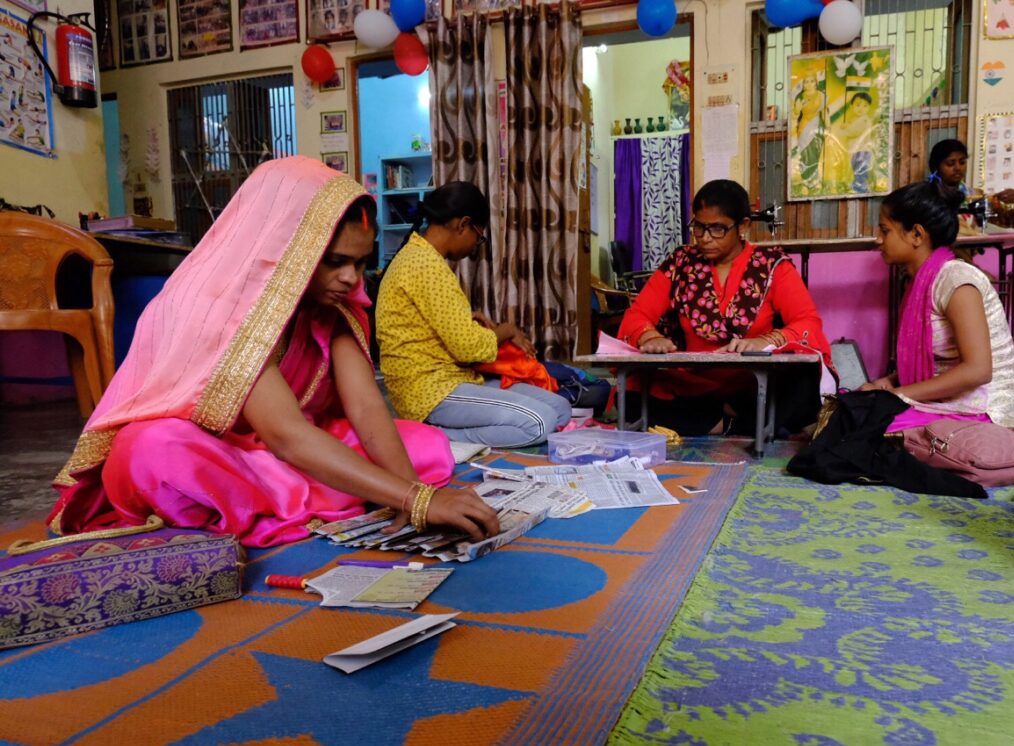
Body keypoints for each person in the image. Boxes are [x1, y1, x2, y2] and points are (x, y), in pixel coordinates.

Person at [50, 157, 499, 548]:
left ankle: (296, 491)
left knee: (423, 445)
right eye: (336, 261)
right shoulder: (220, 307)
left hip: (290, 446)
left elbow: (365, 406)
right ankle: (316, 489)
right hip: (221, 450)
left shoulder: (333, 307)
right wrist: (415, 499)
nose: (350, 278)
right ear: (286, 248)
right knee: (150, 451)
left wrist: (413, 490)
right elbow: (284, 436)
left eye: (360, 264)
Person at [617, 179, 832, 437]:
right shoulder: (680, 264)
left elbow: (807, 322)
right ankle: (742, 425)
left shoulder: (772, 266)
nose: (705, 238)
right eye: (699, 227)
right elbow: (637, 314)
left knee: (806, 380)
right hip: (693, 387)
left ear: (743, 226)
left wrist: (765, 341)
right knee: (628, 397)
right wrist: (650, 336)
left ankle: (724, 421)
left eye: (717, 229)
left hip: (755, 385)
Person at [375, 181, 571, 447]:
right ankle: (430, 435)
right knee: (539, 422)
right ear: (462, 224)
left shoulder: (424, 259)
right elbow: (469, 348)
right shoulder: (424, 264)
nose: (475, 245)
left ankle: (444, 431)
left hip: (455, 378)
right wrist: (508, 329)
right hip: (429, 390)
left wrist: (469, 321)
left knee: (560, 409)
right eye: (479, 237)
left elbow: (443, 332)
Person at [861, 181, 1014, 431]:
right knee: (855, 412)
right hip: (943, 405)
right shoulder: (919, 283)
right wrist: (886, 383)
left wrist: (899, 395)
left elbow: (978, 371)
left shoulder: (956, 280)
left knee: (867, 427)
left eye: (885, 230)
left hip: (980, 412)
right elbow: (938, 363)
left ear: (917, 235)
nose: (878, 239)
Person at [928, 138, 1014, 233]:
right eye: (950, 163)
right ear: (936, 166)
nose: (958, 168)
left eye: (962, 162)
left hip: (966, 252)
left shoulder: (975, 197)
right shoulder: (924, 196)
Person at [789, 72, 826, 196]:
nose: (809, 84)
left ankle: (815, 183)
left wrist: (828, 126)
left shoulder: (821, 95)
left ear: (816, 82)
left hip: (818, 126)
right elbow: (794, 116)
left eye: (812, 81)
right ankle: (805, 182)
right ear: (803, 84)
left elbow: (826, 112)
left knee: (815, 154)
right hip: (804, 128)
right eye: (806, 81)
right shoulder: (800, 97)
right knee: (805, 154)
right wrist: (797, 109)